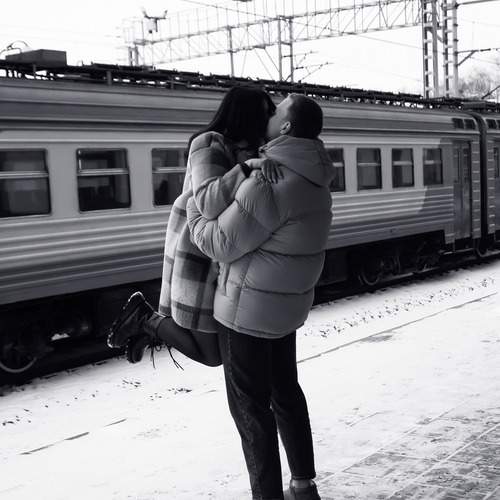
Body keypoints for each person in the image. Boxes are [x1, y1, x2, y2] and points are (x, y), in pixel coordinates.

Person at [186, 93, 333, 500]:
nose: (270, 112)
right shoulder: (316, 174)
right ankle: (303, 484)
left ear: (285, 126)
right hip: (286, 309)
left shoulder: (269, 181)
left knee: (251, 411)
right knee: (286, 392)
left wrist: (193, 209)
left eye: (278, 109)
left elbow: (217, 243)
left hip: (246, 314)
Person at [107, 86, 281, 367]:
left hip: (222, 250)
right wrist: (247, 168)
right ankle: (145, 319)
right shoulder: (209, 143)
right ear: (245, 114)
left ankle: (148, 325)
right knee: (212, 355)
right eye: (265, 112)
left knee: (218, 349)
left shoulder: (254, 149)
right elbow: (209, 200)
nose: (269, 118)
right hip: (197, 249)